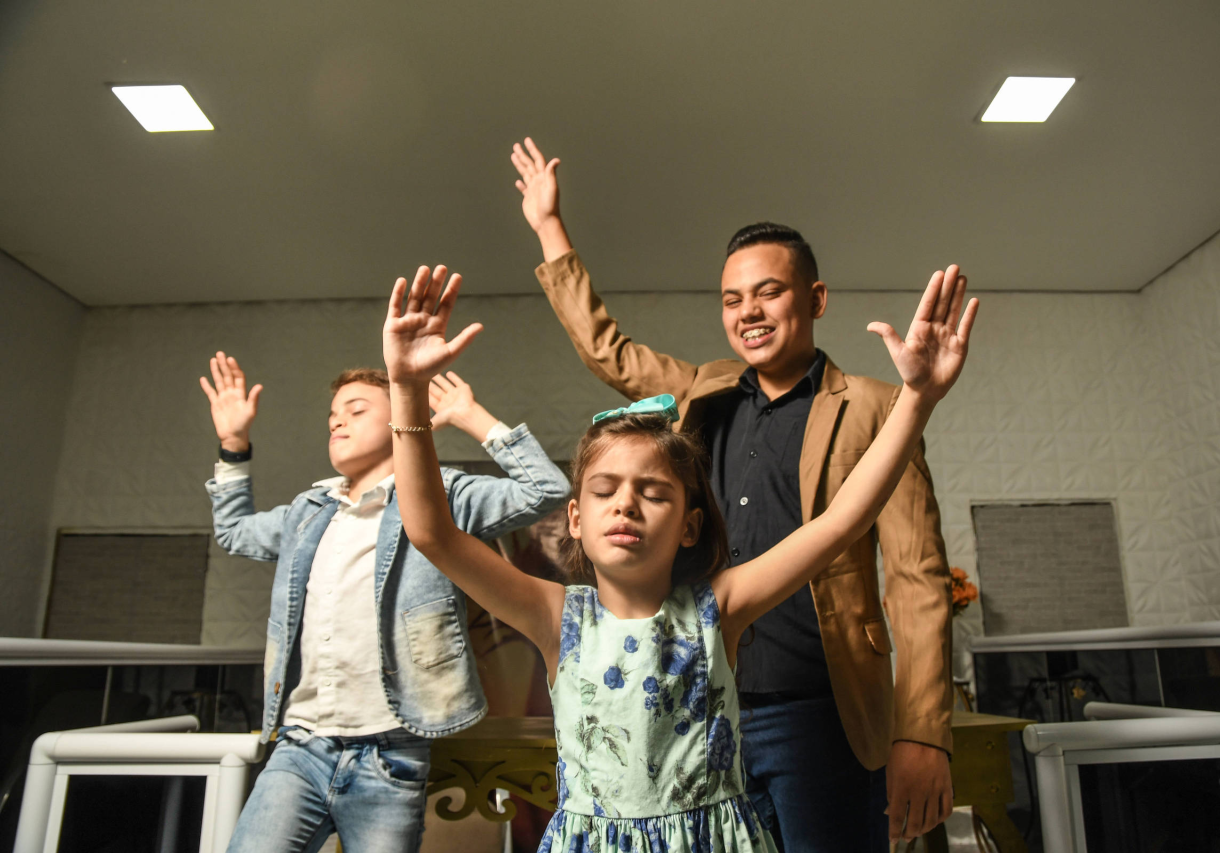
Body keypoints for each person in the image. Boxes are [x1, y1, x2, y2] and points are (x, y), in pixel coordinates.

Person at [380, 261, 976, 852]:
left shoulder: (720, 607)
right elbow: (432, 532)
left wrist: (917, 398)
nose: (627, 505)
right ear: (576, 518)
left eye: (654, 492)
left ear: (691, 526)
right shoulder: (555, 615)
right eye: (605, 490)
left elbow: (842, 520)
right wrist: (405, 388)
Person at [510, 138, 962, 847]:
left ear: (813, 298)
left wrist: (923, 732)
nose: (749, 310)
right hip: (702, 708)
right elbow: (610, 349)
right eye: (732, 299)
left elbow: (917, 577)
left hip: (825, 710)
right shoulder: (704, 389)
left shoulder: (879, 407)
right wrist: (548, 226)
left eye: (769, 292)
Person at [199, 355, 570, 853]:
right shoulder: (307, 514)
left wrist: (468, 414)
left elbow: (546, 488)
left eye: (355, 410)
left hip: (391, 754)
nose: (337, 422)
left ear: (401, 418)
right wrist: (234, 444)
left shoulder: (443, 495)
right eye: (333, 415)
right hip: (298, 748)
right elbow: (233, 531)